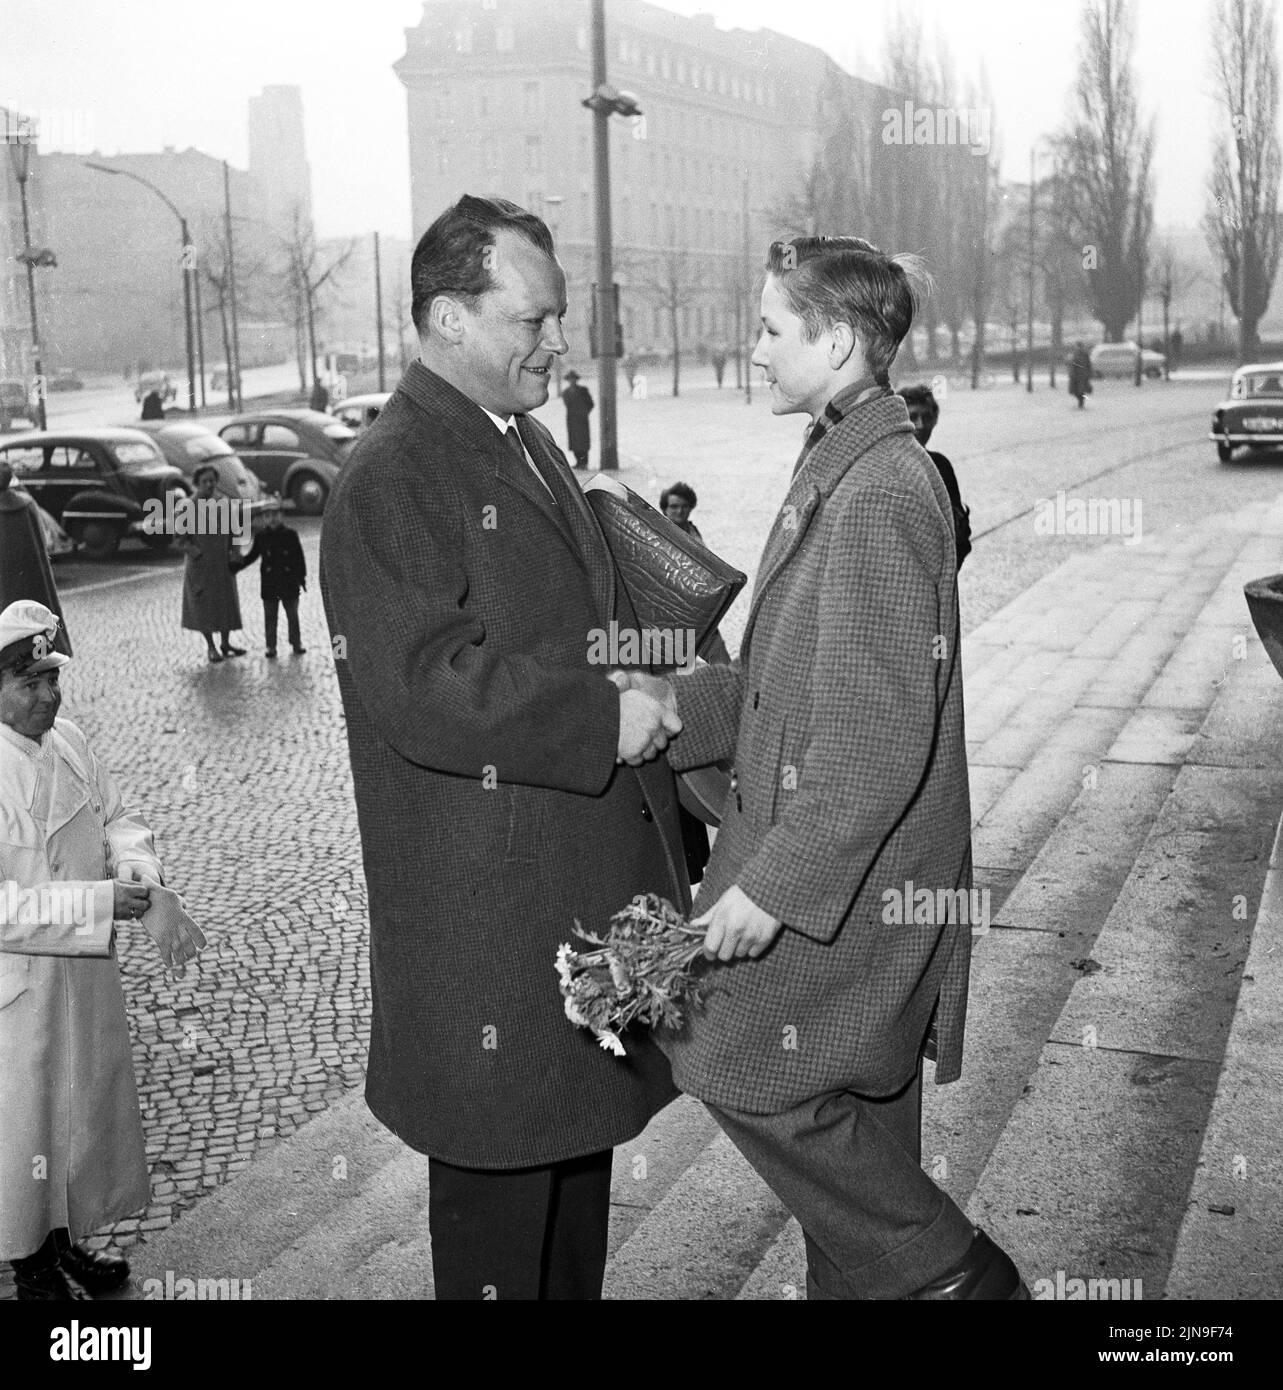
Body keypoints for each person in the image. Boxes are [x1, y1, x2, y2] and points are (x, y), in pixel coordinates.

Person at [618, 236, 1028, 1300]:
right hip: (866, 879)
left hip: (850, 884)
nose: (749, 349)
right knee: (860, 1115)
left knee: (717, 1043)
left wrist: (769, 887)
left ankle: (954, 1274)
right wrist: (672, 705)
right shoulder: (843, 455)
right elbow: (778, 683)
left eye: (767, 328)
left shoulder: (880, 487)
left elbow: (876, 737)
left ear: (835, 340)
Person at [320, 194, 687, 1301]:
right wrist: (599, 716)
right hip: (493, 932)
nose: (557, 344)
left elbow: (544, 620)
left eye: (559, 318)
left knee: (571, 1196)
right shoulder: (392, 472)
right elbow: (424, 685)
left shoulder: (517, 437)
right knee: (501, 1224)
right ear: (447, 318)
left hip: (560, 914)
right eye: (533, 320)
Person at [0, 600, 203, 1300]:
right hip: (17, 993)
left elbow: (117, 819)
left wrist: (135, 868)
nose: (49, 696)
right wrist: (98, 904)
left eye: (52, 679)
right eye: (30, 685)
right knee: (23, 1130)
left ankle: (67, 1242)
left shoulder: (72, 741)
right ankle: (31, 1267)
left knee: (76, 1116)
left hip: (82, 979)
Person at [898, 384, 972, 569]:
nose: (921, 425)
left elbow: (960, 531)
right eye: (913, 417)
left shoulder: (941, 465)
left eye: (927, 417)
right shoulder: (886, 465)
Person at [180, 465, 246, 663]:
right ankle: (211, 646)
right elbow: (181, 538)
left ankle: (226, 643)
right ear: (197, 484)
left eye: (212, 481)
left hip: (223, 563)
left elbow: (235, 531)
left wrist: (235, 552)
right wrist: (197, 554)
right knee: (204, 606)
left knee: (226, 603)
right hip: (201, 566)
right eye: (205, 482)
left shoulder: (224, 503)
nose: (209, 485)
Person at [231, 502, 307, 657]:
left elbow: (299, 558)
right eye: (267, 516)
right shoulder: (262, 536)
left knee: (292, 615)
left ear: (281, 516)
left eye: (275, 515)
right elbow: (253, 555)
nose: (271, 519)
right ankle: (271, 646)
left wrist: (302, 578)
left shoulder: (290, 534)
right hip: (270, 583)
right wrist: (238, 566)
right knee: (270, 617)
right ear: (263, 519)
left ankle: (296, 642)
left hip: (289, 581)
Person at [561, 368, 594, 468]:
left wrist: (584, 413)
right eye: (570, 379)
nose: (572, 381)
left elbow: (590, 404)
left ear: (576, 380)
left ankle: (584, 463)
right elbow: (567, 405)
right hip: (572, 420)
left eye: (574, 379)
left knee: (583, 442)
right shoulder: (566, 392)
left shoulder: (583, 390)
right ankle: (578, 462)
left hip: (582, 420)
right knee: (574, 442)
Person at [1068, 341, 1092, 408]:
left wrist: (1089, 373)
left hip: (1082, 375)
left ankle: (1081, 402)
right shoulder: (1074, 354)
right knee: (1075, 391)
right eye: (1077, 347)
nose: (1078, 348)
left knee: (1081, 390)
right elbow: (1072, 364)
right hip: (1075, 375)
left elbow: (1088, 364)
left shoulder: (1085, 355)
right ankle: (1081, 401)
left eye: (1079, 346)